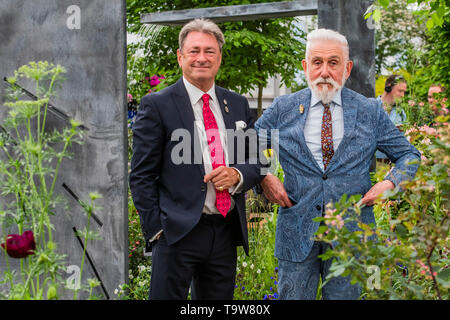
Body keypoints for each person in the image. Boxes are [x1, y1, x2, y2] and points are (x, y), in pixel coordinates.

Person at [255, 28, 420, 300]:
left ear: (347, 68)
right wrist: (264, 177)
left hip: (351, 236)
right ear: (305, 66)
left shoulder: (370, 111)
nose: (325, 71)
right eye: (317, 62)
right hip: (296, 233)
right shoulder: (283, 107)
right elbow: (246, 145)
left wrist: (390, 183)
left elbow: (409, 155)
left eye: (333, 62)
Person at [130, 19, 263, 300]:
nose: (202, 58)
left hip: (225, 232)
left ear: (219, 57)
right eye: (194, 51)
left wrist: (238, 175)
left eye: (209, 51)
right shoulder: (157, 105)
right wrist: (156, 231)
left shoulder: (237, 104)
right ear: (180, 57)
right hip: (176, 234)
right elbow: (141, 175)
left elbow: (256, 160)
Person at [376, 75, 408, 162]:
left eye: (404, 92)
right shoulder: (372, 107)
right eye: (400, 91)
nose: (402, 95)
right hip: (373, 163)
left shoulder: (401, 113)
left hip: (393, 164)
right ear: (389, 87)